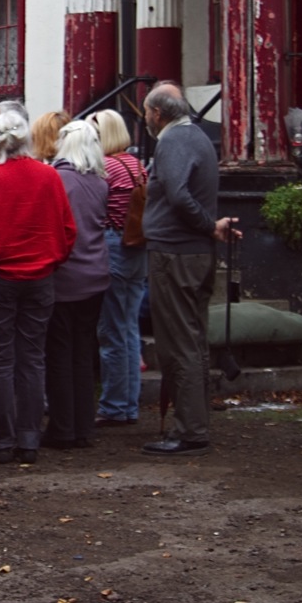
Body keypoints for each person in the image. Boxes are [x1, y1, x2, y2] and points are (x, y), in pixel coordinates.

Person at [0, 110, 75, 465]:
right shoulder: (48, 176)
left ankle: (2, 440)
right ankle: (28, 438)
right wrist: (53, 260)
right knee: (32, 358)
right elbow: (67, 228)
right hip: (39, 277)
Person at [140, 83, 238, 457]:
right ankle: (194, 424)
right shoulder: (196, 137)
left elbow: (179, 196)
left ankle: (190, 430)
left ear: (157, 113)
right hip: (190, 252)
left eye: (146, 112)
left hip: (176, 254)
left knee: (178, 343)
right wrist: (208, 226)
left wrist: (208, 226)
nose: (145, 118)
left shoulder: (173, 140)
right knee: (192, 340)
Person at [43, 121, 110, 449]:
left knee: (59, 352)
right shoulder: (99, 181)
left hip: (65, 275)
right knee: (83, 352)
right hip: (95, 274)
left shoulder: (57, 178)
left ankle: (62, 427)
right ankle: (83, 426)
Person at [90, 108, 148, 427]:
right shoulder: (136, 165)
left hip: (113, 245)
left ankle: (114, 405)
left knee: (111, 331)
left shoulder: (107, 167)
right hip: (136, 246)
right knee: (129, 328)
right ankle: (128, 404)